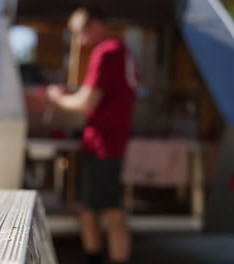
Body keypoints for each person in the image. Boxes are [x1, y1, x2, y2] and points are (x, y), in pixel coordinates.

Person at [47, 8, 137, 264]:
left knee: (110, 210)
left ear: (96, 24)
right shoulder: (123, 50)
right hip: (109, 141)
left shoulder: (106, 51)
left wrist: (58, 98)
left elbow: (87, 101)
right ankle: (93, 257)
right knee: (89, 208)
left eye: (81, 33)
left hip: (103, 143)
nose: (80, 41)